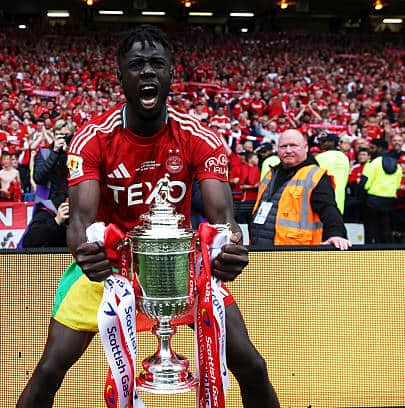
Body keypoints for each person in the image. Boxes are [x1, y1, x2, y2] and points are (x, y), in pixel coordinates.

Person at [17, 25, 279, 407]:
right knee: (48, 370)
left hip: (179, 268)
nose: (147, 71)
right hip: (109, 267)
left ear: (170, 73)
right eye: (137, 64)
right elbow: (79, 222)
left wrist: (232, 247)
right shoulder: (93, 138)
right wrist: (84, 252)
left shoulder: (199, 137)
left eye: (156, 63)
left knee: (252, 366)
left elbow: (225, 219)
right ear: (120, 74)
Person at [249, 129, 351, 250]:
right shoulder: (271, 174)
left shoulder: (315, 176)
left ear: (305, 147)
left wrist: (336, 234)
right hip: (259, 249)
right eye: (283, 146)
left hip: (295, 252)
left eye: (293, 146)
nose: (288, 150)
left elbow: (328, 208)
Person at [20, 119, 72, 247]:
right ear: (54, 135)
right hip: (48, 206)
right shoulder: (44, 153)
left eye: (67, 136)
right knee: (37, 241)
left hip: (70, 206)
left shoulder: (75, 155)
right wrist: (55, 152)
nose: (63, 139)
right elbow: (39, 178)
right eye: (60, 135)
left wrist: (68, 152)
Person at [360, 139, 402, 244]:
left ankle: (370, 250)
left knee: (371, 228)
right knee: (386, 228)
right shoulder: (397, 164)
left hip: (372, 199)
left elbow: (365, 183)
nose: (370, 150)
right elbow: (398, 183)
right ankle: (386, 250)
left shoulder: (373, 163)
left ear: (379, 148)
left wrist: (361, 195)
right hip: (389, 199)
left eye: (372, 147)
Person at [315, 133, 350, 214]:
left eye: (324, 141)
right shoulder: (345, 158)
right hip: (340, 201)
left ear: (332, 142)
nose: (321, 144)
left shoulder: (320, 157)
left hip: (323, 201)